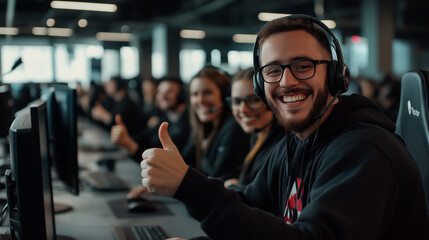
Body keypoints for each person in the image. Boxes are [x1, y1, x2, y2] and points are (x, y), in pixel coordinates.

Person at [140, 15, 429, 239]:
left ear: (335, 75)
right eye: (273, 70)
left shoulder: (365, 152)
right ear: (259, 84)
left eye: (303, 66)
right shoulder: (294, 143)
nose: (287, 82)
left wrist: (188, 186)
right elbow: (251, 208)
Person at [180, 66, 250, 180]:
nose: (200, 100)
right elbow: (182, 164)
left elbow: (218, 178)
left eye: (207, 92)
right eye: (195, 94)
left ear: (224, 96)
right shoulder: (203, 129)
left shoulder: (233, 129)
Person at [224, 67, 285, 189]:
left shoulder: (281, 145)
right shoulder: (256, 136)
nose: (243, 110)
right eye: (236, 102)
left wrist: (234, 188)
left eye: (254, 100)